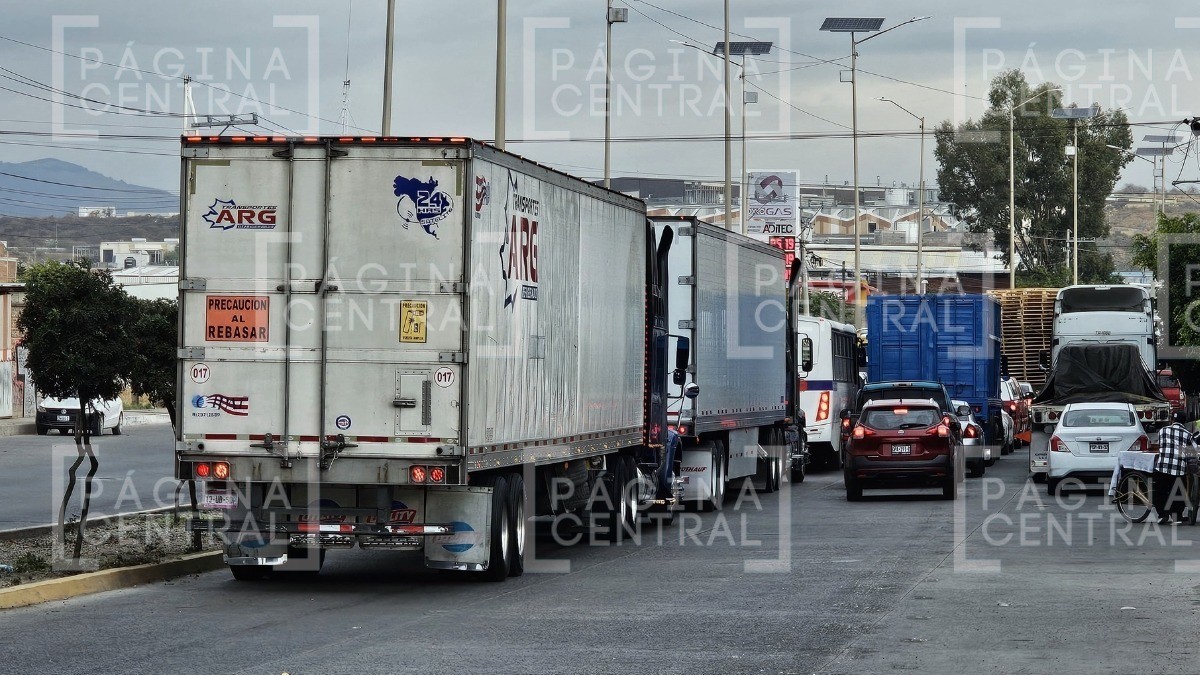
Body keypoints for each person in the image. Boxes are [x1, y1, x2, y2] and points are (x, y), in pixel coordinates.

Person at [1153, 412, 1195, 524]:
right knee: (1178, 491)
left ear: (1172, 420)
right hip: (1178, 469)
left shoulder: (1162, 431)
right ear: (1184, 422)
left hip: (1162, 467)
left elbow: (1161, 444)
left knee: (1160, 491)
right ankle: (1177, 516)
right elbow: (1193, 453)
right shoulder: (1188, 435)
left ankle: (1162, 515)